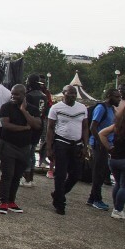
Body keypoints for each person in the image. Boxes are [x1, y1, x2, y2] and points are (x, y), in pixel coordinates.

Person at [0, 84, 41, 214]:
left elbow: (37, 125)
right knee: (7, 174)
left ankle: (11, 200)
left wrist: (24, 111)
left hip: (24, 147)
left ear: (24, 94)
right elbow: (6, 125)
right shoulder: (6, 107)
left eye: (17, 94)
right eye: (12, 94)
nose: (13, 96)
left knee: (17, 175)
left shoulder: (32, 109)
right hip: (8, 144)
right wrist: (25, 128)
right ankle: (3, 201)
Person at [45, 85, 88, 214]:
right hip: (61, 142)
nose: (73, 96)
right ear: (64, 94)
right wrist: (49, 148)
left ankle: (58, 193)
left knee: (76, 174)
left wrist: (85, 146)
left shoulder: (82, 108)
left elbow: (85, 127)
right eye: (70, 93)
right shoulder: (56, 108)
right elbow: (50, 128)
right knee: (60, 173)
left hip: (77, 144)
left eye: (74, 93)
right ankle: (60, 203)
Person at [97, 104, 125, 220]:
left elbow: (101, 133)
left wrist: (109, 147)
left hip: (114, 159)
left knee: (118, 184)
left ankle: (116, 207)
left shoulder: (117, 126)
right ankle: (118, 210)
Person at [87, 88, 122, 211]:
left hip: (106, 144)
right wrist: (100, 141)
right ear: (109, 96)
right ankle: (97, 199)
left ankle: (92, 198)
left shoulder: (112, 109)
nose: (119, 99)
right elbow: (93, 127)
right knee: (99, 172)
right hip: (99, 144)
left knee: (102, 171)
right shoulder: (101, 108)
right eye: (117, 97)